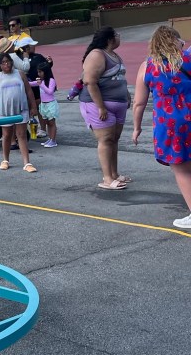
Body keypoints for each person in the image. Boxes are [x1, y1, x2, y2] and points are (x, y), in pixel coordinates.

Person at [132, 26, 191, 229]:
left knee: (182, 169)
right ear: (177, 41)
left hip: (170, 125)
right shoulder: (189, 60)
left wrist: (136, 128)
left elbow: (139, 103)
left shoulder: (148, 66)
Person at [79, 26, 131, 190]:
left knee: (114, 139)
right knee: (106, 139)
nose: (119, 36)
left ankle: (114, 174)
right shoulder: (97, 55)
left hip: (118, 104)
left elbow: (121, 79)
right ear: (109, 39)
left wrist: (127, 96)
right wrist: (101, 107)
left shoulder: (114, 55)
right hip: (99, 105)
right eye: (117, 34)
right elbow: (89, 81)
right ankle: (107, 178)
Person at [0, 51, 37, 172]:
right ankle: (5, 160)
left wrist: (33, 106)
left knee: (21, 135)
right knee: (6, 135)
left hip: (21, 110)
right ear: (0, 65)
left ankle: (27, 163)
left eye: (8, 61)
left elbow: (29, 91)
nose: (6, 64)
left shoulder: (20, 74)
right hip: (4, 111)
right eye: (3, 62)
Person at [31, 61, 59, 147]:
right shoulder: (41, 81)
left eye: (40, 72)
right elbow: (31, 84)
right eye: (38, 72)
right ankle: (50, 139)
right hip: (43, 104)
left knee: (52, 123)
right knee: (47, 122)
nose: (38, 74)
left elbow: (50, 91)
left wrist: (41, 85)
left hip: (50, 104)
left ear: (45, 72)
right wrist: (24, 82)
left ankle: (53, 140)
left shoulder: (51, 80)